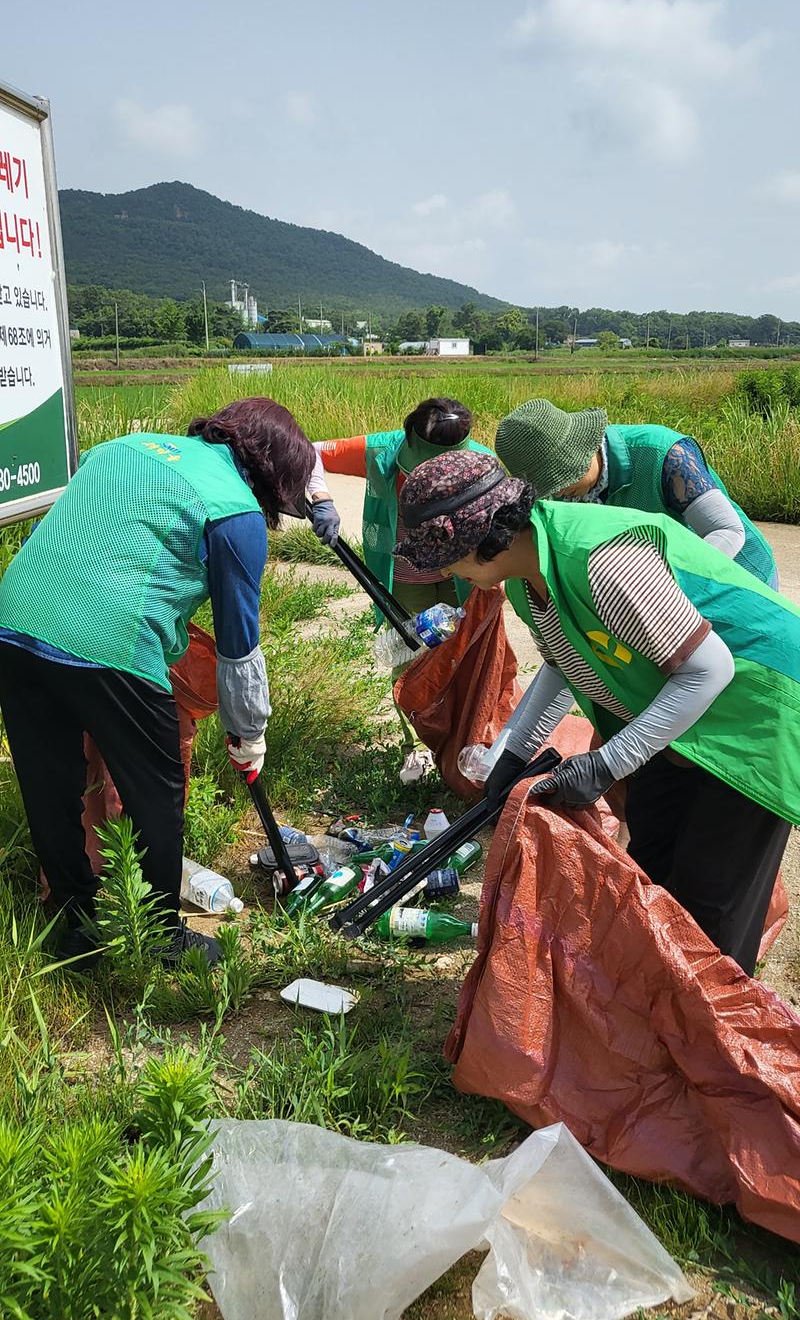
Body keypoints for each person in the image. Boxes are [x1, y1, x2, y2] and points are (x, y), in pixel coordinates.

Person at [394, 450, 800, 976]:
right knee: (649, 875)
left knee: (709, 907)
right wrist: (511, 755)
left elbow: (709, 670)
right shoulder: (524, 570)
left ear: (489, 538)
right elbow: (567, 662)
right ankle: (658, 1016)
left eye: (449, 558)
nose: (446, 571)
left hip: (757, 709)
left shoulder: (598, 559)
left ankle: (707, 1043)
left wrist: (607, 763)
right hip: (676, 710)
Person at [0, 397, 323, 969]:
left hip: (15, 621)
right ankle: (157, 932)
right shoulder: (236, 510)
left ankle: (75, 927)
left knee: (50, 782)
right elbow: (238, 647)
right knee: (157, 789)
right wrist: (249, 736)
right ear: (273, 476)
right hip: (111, 640)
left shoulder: (125, 447)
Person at [316, 397, 491, 779]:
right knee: (410, 666)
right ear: (408, 437)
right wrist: (319, 499)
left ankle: (463, 744)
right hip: (406, 585)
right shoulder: (381, 451)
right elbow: (307, 455)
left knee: (466, 660)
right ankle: (417, 748)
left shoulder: (482, 462)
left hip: (465, 582)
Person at [495, 398, 777, 586]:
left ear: (582, 450)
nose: (560, 494)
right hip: (664, 598)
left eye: (562, 481)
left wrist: (660, 585)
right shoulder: (564, 492)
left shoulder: (661, 454)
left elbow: (727, 531)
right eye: (547, 488)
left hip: (738, 576)